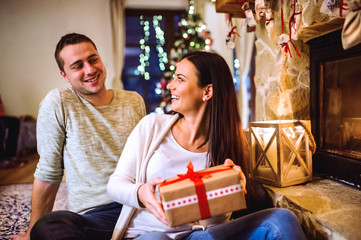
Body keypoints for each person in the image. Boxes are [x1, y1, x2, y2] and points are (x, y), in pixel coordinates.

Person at [107, 51, 306, 240]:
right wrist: (140, 192)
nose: (170, 86)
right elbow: (115, 184)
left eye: (180, 79)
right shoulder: (152, 126)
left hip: (198, 235)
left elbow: (213, 224)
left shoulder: (229, 142)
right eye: (174, 78)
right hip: (148, 234)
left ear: (207, 91)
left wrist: (227, 191)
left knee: (281, 220)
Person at [9, 33, 146, 240]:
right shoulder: (59, 103)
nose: (90, 70)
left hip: (138, 203)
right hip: (95, 216)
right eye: (77, 66)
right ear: (64, 75)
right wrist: (32, 232)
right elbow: (48, 173)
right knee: (48, 228)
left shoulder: (134, 101)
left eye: (93, 60)